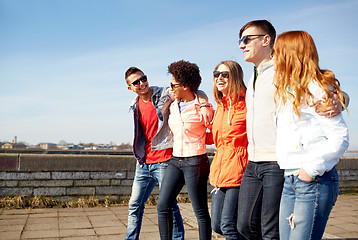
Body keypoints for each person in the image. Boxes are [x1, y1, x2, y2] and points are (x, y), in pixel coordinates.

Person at [236, 20, 348, 240]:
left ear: (266, 41)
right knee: (246, 225)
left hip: (299, 172)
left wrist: (338, 97)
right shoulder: (256, 77)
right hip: (279, 171)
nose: (241, 45)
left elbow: (322, 89)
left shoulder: (287, 75)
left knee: (272, 231)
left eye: (246, 39)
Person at [273, 30, 349, 240]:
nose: (274, 55)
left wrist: (310, 170)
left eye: (277, 51)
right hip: (291, 179)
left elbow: (340, 137)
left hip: (313, 180)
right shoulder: (287, 90)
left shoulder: (316, 89)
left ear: (290, 54)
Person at [125, 66, 212, 240]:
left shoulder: (164, 94)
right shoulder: (135, 106)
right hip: (146, 161)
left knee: (185, 208)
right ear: (130, 88)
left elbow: (194, 89)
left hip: (170, 160)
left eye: (144, 78)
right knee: (139, 205)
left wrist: (203, 103)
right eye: (136, 82)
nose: (142, 83)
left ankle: (178, 237)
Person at [157, 60, 214, 240]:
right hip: (175, 160)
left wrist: (204, 103)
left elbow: (215, 133)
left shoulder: (203, 107)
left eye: (174, 84)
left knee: (200, 212)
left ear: (186, 86)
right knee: (162, 206)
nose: (170, 87)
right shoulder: (172, 104)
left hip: (195, 161)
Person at [206, 60, 248, 239]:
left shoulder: (247, 103)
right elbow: (217, 138)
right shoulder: (220, 106)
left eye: (225, 74)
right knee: (216, 225)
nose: (219, 78)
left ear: (236, 77)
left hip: (239, 170)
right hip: (220, 171)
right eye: (216, 74)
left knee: (228, 226)